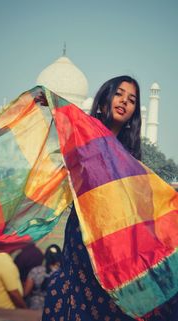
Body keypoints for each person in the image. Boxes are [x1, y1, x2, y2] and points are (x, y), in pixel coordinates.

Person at [41, 75, 178, 321]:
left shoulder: (128, 157)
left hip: (114, 235)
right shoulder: (83, 136)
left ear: (134, 114)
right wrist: (50, 103)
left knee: (107, 296)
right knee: (72, 290)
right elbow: (61, 129)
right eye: (119, 94)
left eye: (132, 99)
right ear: (104, 100)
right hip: (82, 231)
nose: (125, 101)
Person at [23, 244, 63, 310]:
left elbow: (26, 292)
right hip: (56, 308)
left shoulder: (35, 271)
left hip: (36, 307)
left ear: (46, 257)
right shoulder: (64, 273)